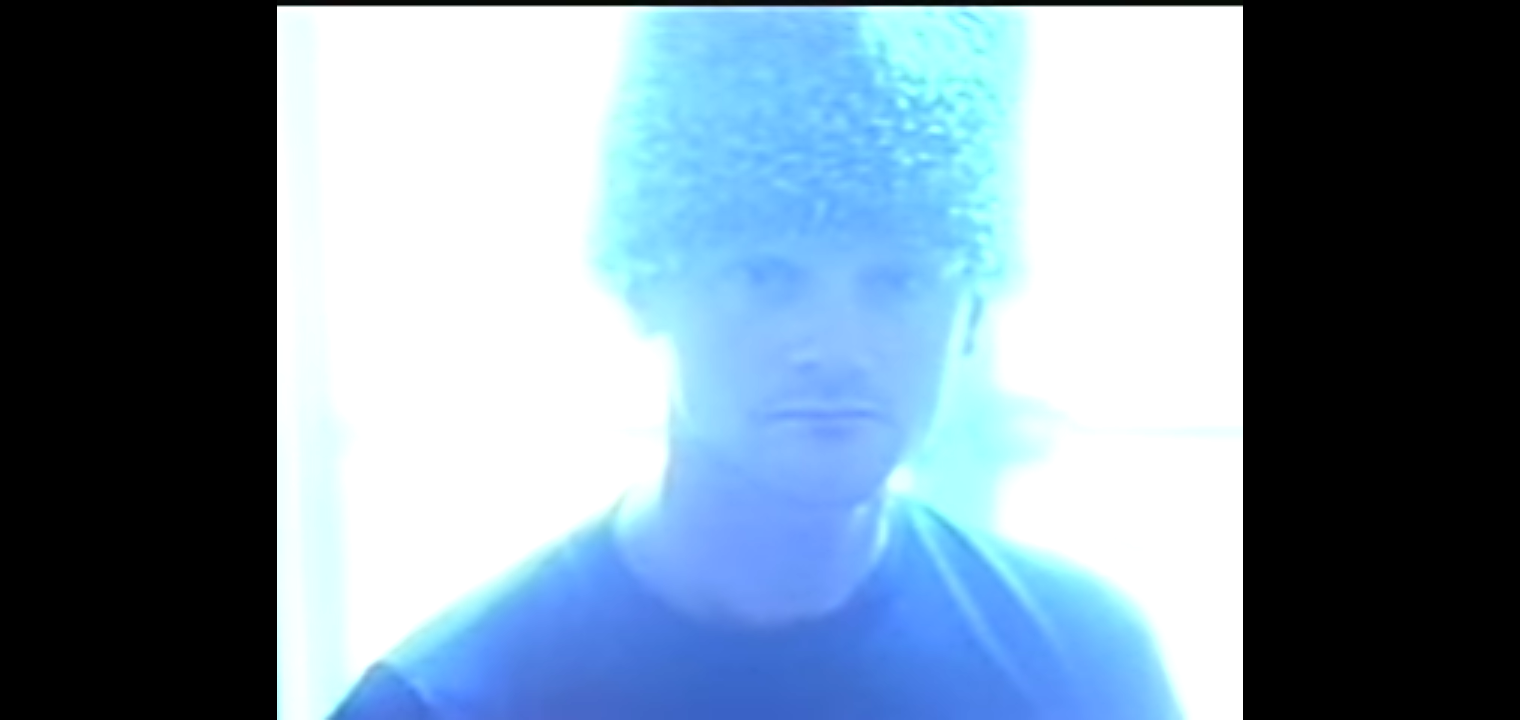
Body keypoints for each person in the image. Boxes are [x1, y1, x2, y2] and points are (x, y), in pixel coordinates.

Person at [329, 7, 1184, 719]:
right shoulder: (449, 700)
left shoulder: (1084, 660)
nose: (837, 347)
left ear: (971, 313)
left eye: (897, 282)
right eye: (767, 278)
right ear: (647, 287)